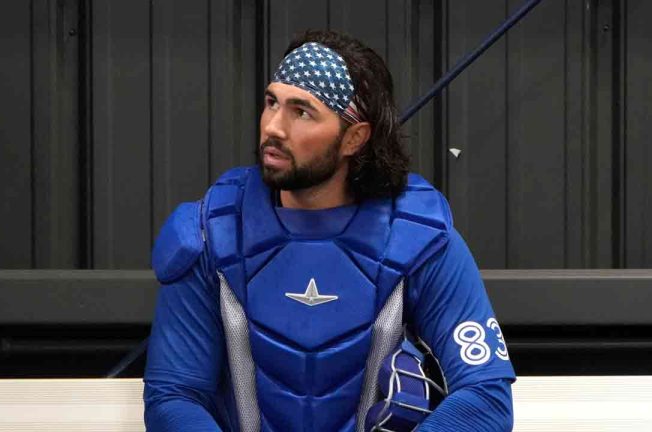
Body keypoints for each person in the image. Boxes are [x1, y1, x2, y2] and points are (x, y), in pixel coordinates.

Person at [144, 30, 515, 432]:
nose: (274, 127)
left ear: (355, 138)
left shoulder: (421, 239)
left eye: (301, 112)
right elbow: (173, 397)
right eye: (272, 103)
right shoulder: (209, 234)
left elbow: (486, 398)